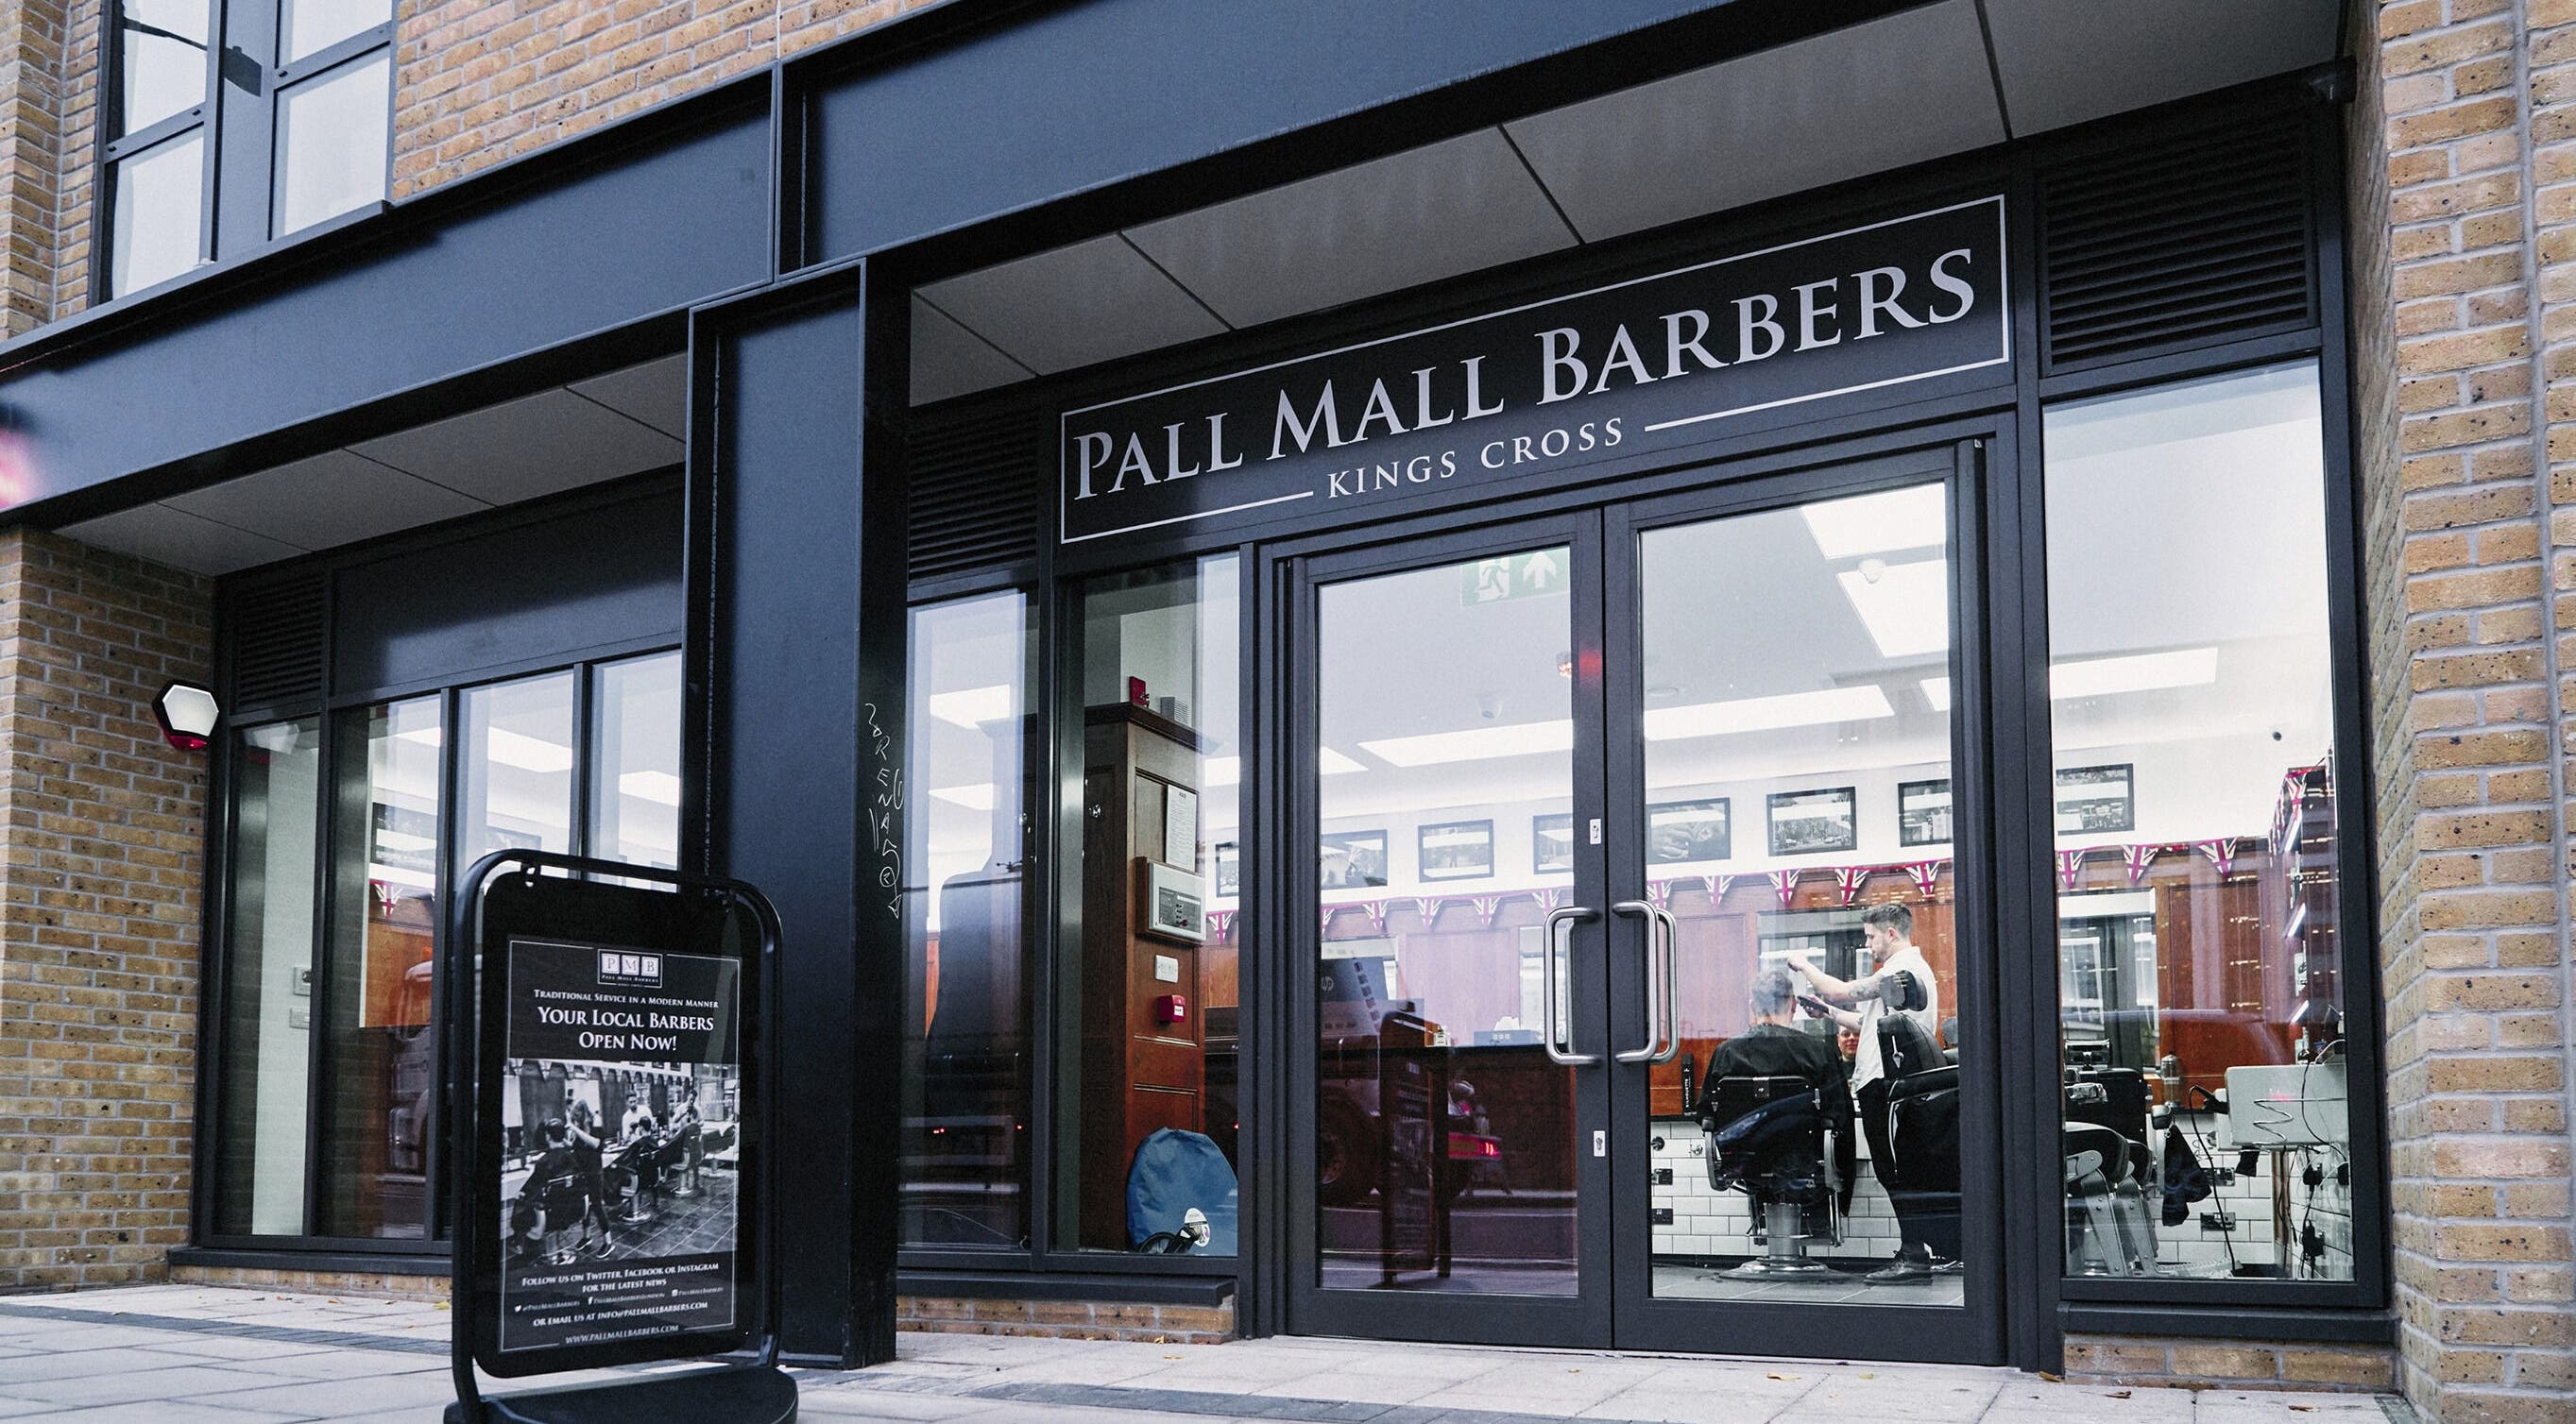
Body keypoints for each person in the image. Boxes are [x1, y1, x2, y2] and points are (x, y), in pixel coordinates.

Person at [1787, 901, 1953, 1281]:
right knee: (1895, 1170)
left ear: (1891, 933)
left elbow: (1842, 991)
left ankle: (1914, 1255)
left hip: (1887, 1084)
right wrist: (1827, 1013)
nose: (1868, 944)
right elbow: (1867, 1021)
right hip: (1888, 1084)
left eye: (1871, 936)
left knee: (1895, 1171)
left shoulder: (1902, 971)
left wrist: (1804, 965)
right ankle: (1914, 1251)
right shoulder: (1901, 975)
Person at [1703, 968, 1857, 1205]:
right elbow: (1841, 1115)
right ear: (1793, 1005)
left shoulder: (1725, 1053)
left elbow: (1706, 1115)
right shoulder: (1816, 1052)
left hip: (1746, 1164)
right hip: (1804, 1162)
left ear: (1753, 1006)